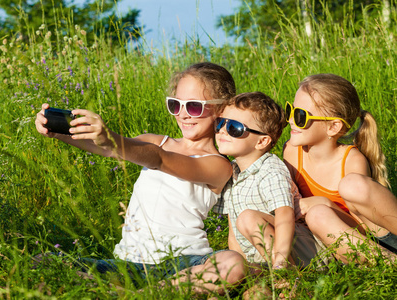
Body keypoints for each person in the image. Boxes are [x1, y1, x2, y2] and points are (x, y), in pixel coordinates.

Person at [34, 62, 249, 293]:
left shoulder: (218, 164)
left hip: (184, 262)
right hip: (128, 263)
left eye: (194, 107)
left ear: (220, 109)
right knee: (41, 262)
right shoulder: (157, 141)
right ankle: (131, 291)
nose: (183, 114)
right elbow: (109, 149)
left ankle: (145, 294)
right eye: (176, 105)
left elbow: (160, 160)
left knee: (232, 264)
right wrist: (60, 132)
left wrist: (110, 139)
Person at [283, 73, 397, 263]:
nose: (291, 120)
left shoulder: (351, 160)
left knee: (351, 186)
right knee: (317, 215)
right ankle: (389, 264)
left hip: (377, 235)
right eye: (290, 110)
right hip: (342, 242)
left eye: (301, 116)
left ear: (333, 127)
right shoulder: (292, 152)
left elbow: (363, 225)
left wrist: (326, 203)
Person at [213, 92, 322, 270]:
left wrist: (280, 263)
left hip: (297, 250)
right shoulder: (230, 172)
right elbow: (233, 233)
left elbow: (285, 217)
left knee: (247, 218)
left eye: (234, 127)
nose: (222, 130)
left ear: (262, 141)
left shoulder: (270, 169)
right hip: (263, 258)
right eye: (220, 123)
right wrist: (244, 269)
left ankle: (289, 276)